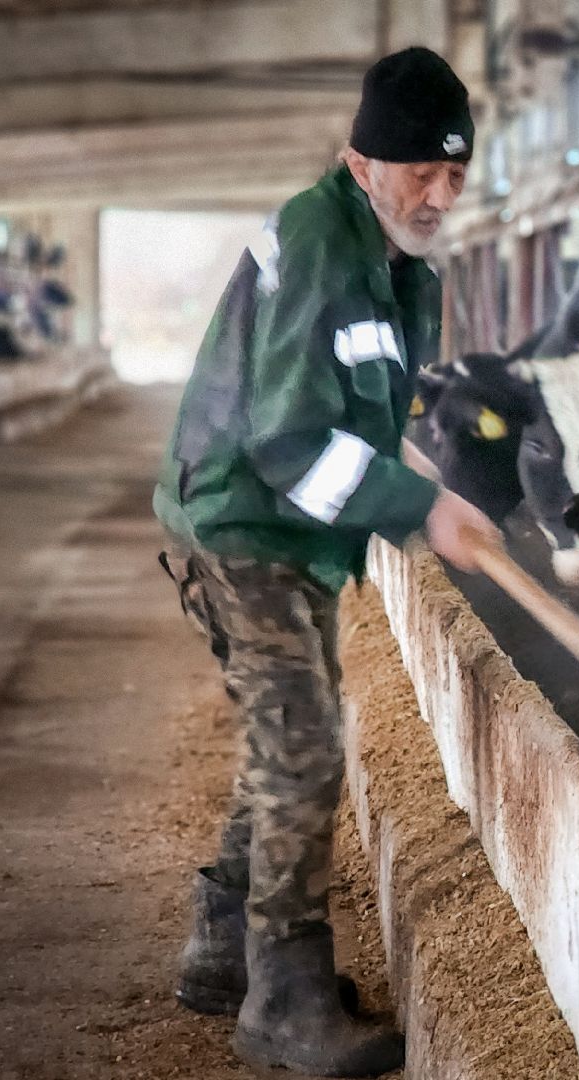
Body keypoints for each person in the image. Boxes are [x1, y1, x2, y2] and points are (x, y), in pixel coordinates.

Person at [153, 46, 499, 1077]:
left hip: (294, 530)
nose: (439, 195)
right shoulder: (320, 243)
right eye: (420, 174)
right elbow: (290, 439)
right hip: (243, 520)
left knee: (289, 729)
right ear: (361, 165)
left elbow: (361, 416)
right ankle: (285, 997)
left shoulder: (392, 259)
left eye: (455, 175)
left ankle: (226, 947)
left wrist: (416, 486)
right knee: (303, 741)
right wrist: (419, 507)